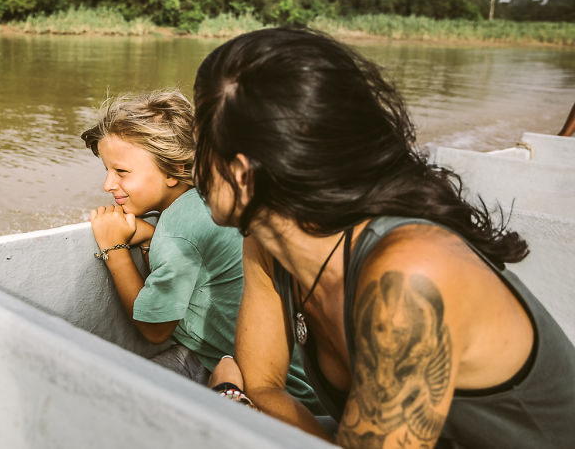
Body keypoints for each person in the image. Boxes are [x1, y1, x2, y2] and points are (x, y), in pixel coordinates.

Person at [192, 27, 575, 447]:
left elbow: (252, 394)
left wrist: (229, 400)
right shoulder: (266, 244)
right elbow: (263, 386)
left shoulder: (412, 275)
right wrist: (242, 402)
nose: (193, 166)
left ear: (244, 176)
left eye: (200, 144)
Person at [81, 90, 320, 411]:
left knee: (106, 398)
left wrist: (115, 248)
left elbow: (155, 330)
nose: (108, 184)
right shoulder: (211, 198)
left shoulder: (179, 228)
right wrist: (152, 237)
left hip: (278, 393)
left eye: (122, 172)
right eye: (107, 170)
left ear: (174, 170)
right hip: (302, 375)